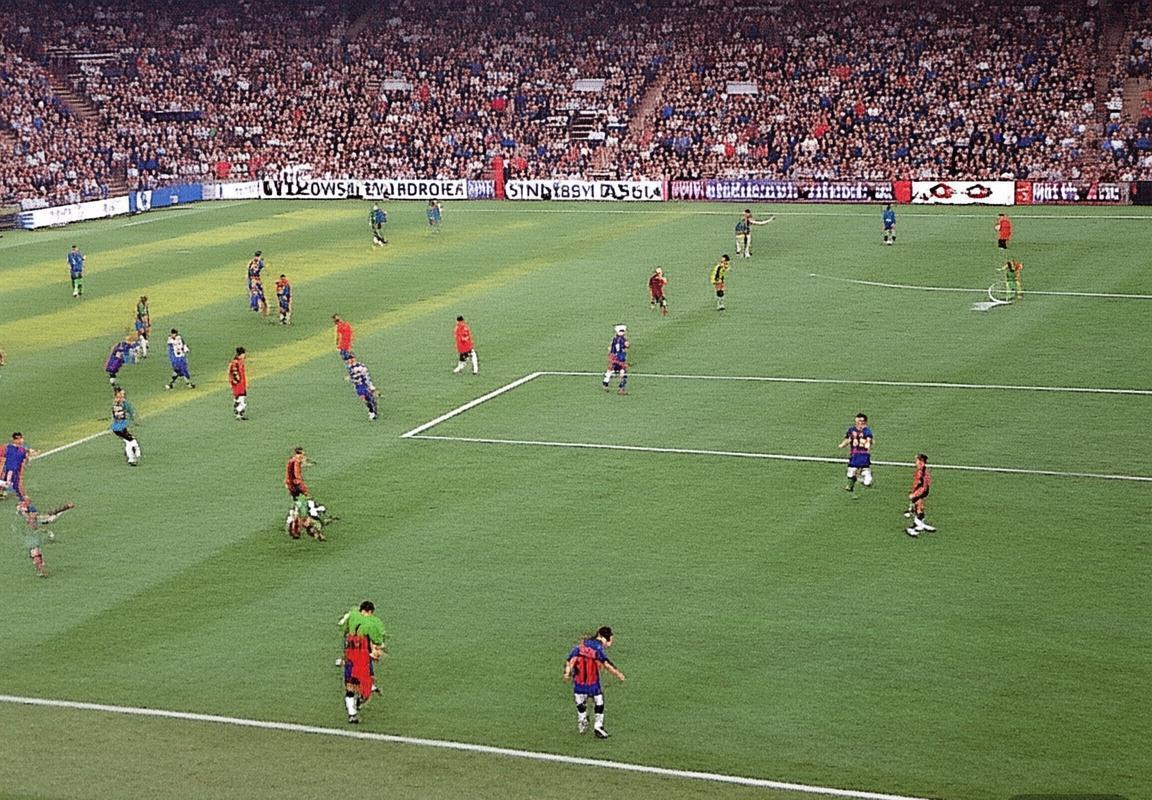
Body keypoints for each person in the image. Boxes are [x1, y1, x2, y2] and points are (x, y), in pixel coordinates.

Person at [563, 626, 625, 739]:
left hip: (579, 683)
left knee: (580, 702)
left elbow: (570, 661)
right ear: (603, 637)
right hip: (592, 683)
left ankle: (582, 720)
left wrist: (567, 673)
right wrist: (618, 674)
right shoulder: (597, 648)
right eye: (610, 640)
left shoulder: (579, 647)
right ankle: (598, 726)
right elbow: (606, 664)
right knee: (599, 702)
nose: (610, 644)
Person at [342, 600, 387, 723]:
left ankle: (352, 714)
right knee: (366, 684)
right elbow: (377, 641)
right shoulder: (371, 623)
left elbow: (343, 627)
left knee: (350, 686)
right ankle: (361, 698)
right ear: (370, 611)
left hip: (350, 656)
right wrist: (377, 650)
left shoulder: (352, 615)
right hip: (362, 659)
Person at [14, 497, 74, 578]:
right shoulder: (25, 516)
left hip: (37, 538)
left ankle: (40, 570)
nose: (33, 515)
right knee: (36, 555)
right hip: (31, 540)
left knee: (38, 555)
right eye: (32, 513)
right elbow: (19, 508)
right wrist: (24, 504)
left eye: (34, 513)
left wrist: (66, 507)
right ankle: (41, 571)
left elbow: (53, 514)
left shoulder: (39, 519)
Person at [837, 413, 873, 491]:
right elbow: (848, 439)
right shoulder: (851, 430)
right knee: (850, 472)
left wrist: (867, 444)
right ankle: (851, 486)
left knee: (867, 480)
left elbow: (869, 440)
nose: (859, 423)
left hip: (864, 454)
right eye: (858, 421)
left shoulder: (867, 431)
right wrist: (842, 444)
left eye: (861, 421)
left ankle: (863, 477)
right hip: (854, 454)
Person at [904, 453, 937, 537]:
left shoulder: (922, 472)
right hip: (920, 492)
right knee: (919, 508)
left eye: (917, 461)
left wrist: (915, 494)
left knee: (919, 509)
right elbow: (919, 484)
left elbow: (923, 485)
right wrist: (914, 493)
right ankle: (916, 526)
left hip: (920, 492)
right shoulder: (922, 472)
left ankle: (917, 525)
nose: (916, 463)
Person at [111, 386, 141, 466]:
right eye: (121, 394)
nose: (123, 395)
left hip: (120, 427)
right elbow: (129, 411)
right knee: (132, 441)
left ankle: (131, 458)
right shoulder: (120, 403)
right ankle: (136, 454)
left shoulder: (118, 403)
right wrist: (134, 418)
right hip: (119, 428)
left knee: (128, 441)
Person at [2, 432, 37, 501]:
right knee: (16, 482)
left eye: (21, 438)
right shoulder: (9, 448)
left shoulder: (21, 449)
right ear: (15, 440)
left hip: (13, 469)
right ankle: (23, 496)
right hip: (11, 470)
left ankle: (3, 491)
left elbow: (25, 458)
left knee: (8, 481)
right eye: (20, 438)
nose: (21, 440)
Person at [346, 356, 380, 420]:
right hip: (358, 386)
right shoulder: (349, 367)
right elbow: (353, 376)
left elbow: (366, 376)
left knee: (366, 398)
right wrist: (350, 378)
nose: (349, 361)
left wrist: (370, 385)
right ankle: (373, 410)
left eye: (350, 359)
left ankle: (372, 412)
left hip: (363, 385)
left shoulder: (360, 367)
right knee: (368, 399)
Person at [602, 324, 629, 395]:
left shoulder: (616, 339)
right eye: (621, 331)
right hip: (618, 358)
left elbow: (610, 348)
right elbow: (622, 348)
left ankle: (605, 382)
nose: (622, 332)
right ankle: (621, 389)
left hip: (615, 357)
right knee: (622, 372)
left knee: (611, 370)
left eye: (623, 331)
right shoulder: (621, 339)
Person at [228, 347, 248, 420]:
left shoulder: (239, 362)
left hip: (241, 384)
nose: (244, 356)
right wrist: (237, 381)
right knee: (240, 398)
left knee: (241, 398)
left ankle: (240, 414)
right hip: (238, 384)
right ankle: (238, 414)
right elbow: (234, 373)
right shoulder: (235, 362)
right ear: (241, 354)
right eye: (243, 354)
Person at [247, 251, 268, 317]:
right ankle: (257, 306)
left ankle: (257, 306)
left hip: (253, 280)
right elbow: (263, 271)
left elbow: (249, 272)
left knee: (256, 293)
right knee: (258, 293)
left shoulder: (252, 262)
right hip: (255, 280)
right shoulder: (259, 262)